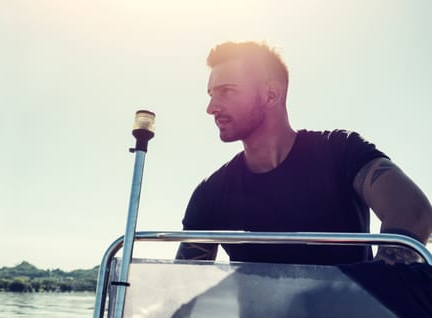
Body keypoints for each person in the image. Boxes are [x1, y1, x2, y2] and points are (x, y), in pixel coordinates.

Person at [176, 41, 432, 265]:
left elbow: (414, 213)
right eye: (211, 94)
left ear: (271, 94)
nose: (211, 107)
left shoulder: (341, 151)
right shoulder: (211, 193)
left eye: (226, 91)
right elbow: (183, 286)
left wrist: (372, 299)